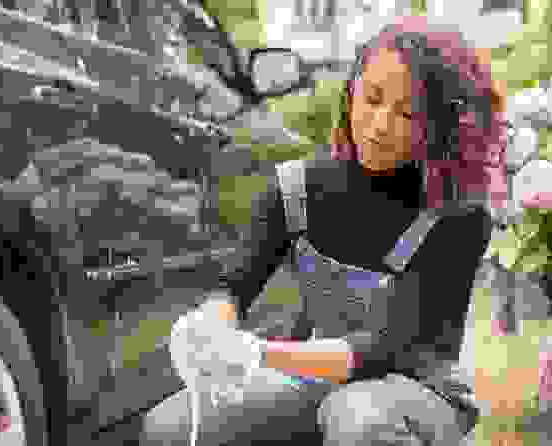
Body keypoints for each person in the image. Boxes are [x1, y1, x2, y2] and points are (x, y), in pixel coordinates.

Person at [141, 15, 509, 445]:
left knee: (355, 418)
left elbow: (386, 349)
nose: (380, 124)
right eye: (371, 98)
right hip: (319, 374)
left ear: (440, 124)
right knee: (168, 428)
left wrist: (257, 353)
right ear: (351, 92)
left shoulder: (457, 214)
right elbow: (235, 285)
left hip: (418, 390)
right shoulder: (296, 186)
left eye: (407, 112)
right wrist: (210, 326)